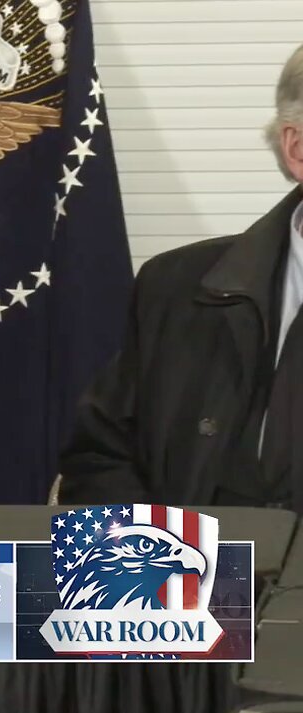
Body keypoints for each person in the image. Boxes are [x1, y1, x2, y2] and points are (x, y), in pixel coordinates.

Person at [59, 44, 303, 510]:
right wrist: (162, 580)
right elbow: (97, 464)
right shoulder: (173, 288)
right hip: (185, 576)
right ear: (296, 149)